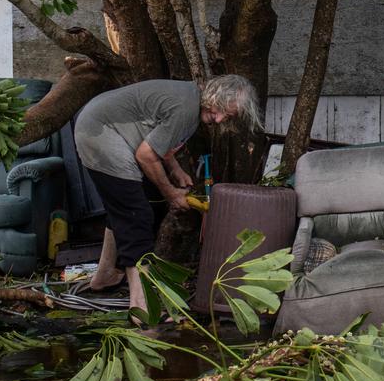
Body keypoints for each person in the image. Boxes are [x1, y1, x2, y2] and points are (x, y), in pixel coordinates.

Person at [76, 74, 261, 316]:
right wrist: (172, 193)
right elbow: (145, 155)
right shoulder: (185, 109)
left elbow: (157, 139)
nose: (219, 119)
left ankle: (104, 275)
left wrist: (176, 170)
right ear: (214, 95)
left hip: (96, 125)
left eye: (228, 116)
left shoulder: (189, 101)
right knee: (137, 216)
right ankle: (141, 310)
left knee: (121, 207)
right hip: (101, 133)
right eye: (221, 110)